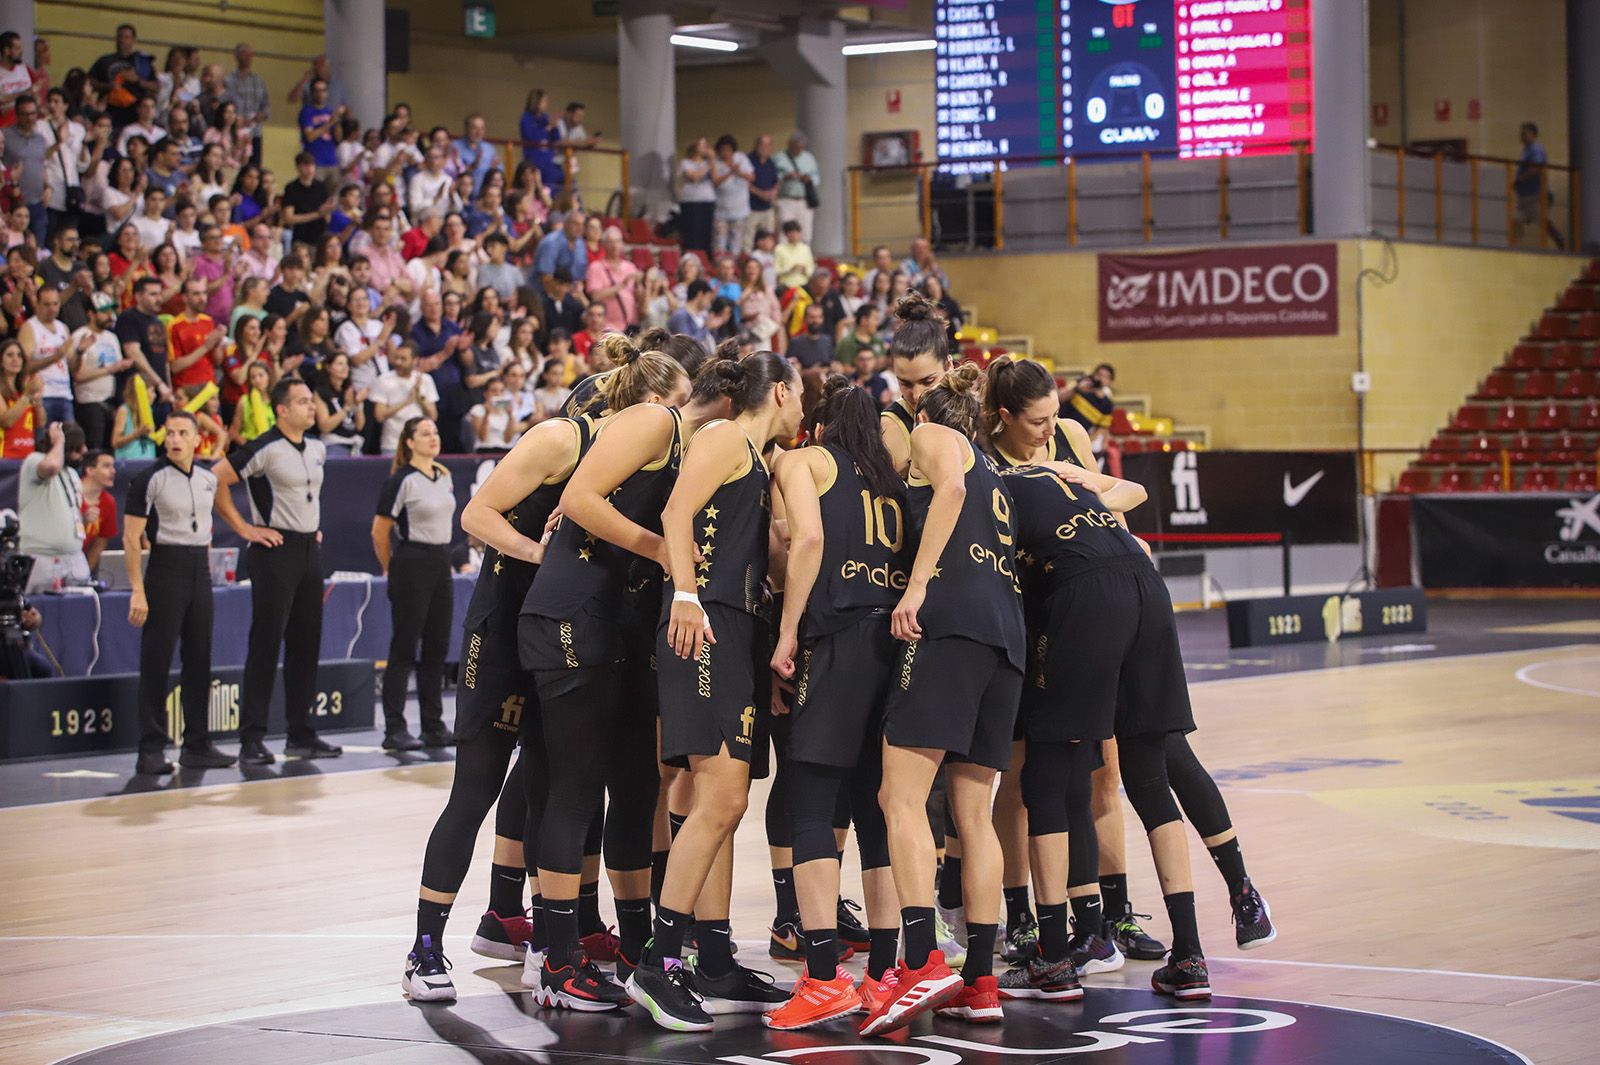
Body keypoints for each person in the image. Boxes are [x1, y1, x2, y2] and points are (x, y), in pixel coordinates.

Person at [403, 341, 690, 1003]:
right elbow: (477, 514)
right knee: (474, 789)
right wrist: (543, 548)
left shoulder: (637, 463)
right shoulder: (565, 436)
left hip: (559, 633)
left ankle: (545, 944)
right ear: (650, 403)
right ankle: (424, 949)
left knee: (551, 786)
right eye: (675, 409)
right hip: (502, 627)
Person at [518, 344, 734, 1015]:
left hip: (617, 621)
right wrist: (658, 548)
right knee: (574, 786)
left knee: (638, 787)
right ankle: (555, 957)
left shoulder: (691, 453)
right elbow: (580, 497)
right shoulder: (658, 422)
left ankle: (639, 943)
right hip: (569, 613)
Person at [626, 354, 803, 1031]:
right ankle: (660, 959)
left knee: (726, 802)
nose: (804, 410)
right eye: (800, 396)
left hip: (739, 626)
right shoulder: (726, 436)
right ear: (779, 390)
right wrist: (686, 593)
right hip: (706, 621)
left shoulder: (760, 460)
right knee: (719, 795)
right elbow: (676, 511)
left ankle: (716, 958)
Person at [859, 325, 1026, 1038]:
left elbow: (947, 488)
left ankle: (923, 959)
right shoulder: (994, 466)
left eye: (922, 381)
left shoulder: (936, 437)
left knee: (897, 793)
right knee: (972, 814)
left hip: (952, 624)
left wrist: (916, 584)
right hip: (1004, 636)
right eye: (902, 381)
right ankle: (981, 978)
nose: (910, 393)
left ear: (943, 383)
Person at [762, 378, 906, 1029]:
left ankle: (822, 975)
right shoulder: (892, 482)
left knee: (810, 804)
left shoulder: (805, 460)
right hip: (896, 648)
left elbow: (810, 540)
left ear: (817, 427)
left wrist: (788, 628)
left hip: (839, 640)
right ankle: (884, 974)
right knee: (878, 810)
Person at [212, 377, 341, 765]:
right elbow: (216, 476)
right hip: (274, 549)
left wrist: (310, 526)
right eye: (302, 401)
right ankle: (251, 738)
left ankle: (300, 733)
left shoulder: (317, 448)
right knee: (266, 642)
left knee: (306, 643)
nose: (310, 407)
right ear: (281, 409)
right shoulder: (265, 447)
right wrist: (244, 529)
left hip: (307, 549)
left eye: (311, 401)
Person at [123, 411, 235, 774]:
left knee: (199, 658)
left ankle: (197, 743)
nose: (174, 438)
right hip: (164, 568)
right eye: (169, 432)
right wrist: (137, 590)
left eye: (182, 432)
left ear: (195, 439)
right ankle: (150, 748)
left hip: (199, 569)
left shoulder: (207, 478)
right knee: (156, 659)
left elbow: (208, 527)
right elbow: (130, 538)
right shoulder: (149, 478)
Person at [372, 417, 457, 750]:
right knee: (404, 647)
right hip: (411, 561)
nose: (433, 437)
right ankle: (394, 729)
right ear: (409, 441)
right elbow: (379, 532)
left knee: (437, 648)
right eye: (425, 433)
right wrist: (391, 567)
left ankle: (433, 726)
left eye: (435, 431)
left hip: (441, 561)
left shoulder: (444, 476)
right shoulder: (401, 480)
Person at [19, 422, 91, 593]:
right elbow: (51, 466)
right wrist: (58, 441)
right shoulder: (34, 460)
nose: (85, 451)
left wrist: (83, 519)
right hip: (42, 560)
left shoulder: (71, 474)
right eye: (77, 448)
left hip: (74, 559)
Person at [70, 291, 131, 448]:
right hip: (90, 402)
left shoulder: (111, 337)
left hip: (109, 401)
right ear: (91, 314)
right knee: (94, 447)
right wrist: (110, 369)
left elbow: (116, 367)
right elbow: (78, 375)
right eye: (104, 312)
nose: (109, 315)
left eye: (110, 311)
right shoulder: (80, 336)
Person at [20, 285, 74, 425]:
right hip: (43, 395)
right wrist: (54, 358)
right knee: (43, 441)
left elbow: (71, 364)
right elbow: (23, 367)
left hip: (64, 394)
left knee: (71, 441)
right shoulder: (30, 328)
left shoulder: (63, 328)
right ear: (37, 304)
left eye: (55, 304)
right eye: (47, 304)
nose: (52, 308)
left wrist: (80, 352)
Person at [372, 342, 439, 454]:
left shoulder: (425, 380)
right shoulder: (384, 380)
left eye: (403, 359)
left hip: (420, 446)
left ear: (415, 360)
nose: (398, 362)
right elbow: (379, 416)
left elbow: (433, 415)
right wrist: (406, 402)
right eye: (396, 357)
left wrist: (419, 397)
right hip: (393, 445)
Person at [89, 23, 157, 129]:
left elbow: (155, 86)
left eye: (126, 37)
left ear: (133, 40)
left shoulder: (142, 63)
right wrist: (107, 86)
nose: (122, 40)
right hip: (110, 112)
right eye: (119, 36)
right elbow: (90, 81)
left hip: (135, 114)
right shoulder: (104, 61)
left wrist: (137, 80)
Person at [3, 95, 51, 245]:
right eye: (25, 114)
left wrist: (48, 187)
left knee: (37, 247)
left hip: (37, 203)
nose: (30, 118)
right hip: (14, 204)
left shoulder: (40, 139)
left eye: (33, 113)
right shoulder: (5, 135)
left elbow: (41, 166)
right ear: (17, 115)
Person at [1514, 121, 1564, 250]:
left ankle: (1559, 239)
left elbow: (1535, 168)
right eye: (1521, 133)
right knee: (1516, 220)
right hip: (1524, 196)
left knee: (1544, 222)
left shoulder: (1536, 149)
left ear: (1533, 134)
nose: (1522, 136)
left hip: (1535, 195)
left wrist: (1519, 179)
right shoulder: (1525, 150)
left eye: (1524, 133)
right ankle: (1514, 246)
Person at [224, 43, 269, 162]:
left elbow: (266, 105)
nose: (248, 57)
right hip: (235, 133)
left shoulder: (259, 81)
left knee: (254, 167)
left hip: (255, 133)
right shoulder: (229, 80)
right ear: (236, 56)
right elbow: (224, 104)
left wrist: (262, 114)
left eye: (251, 54)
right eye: (244, 54)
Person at [774, 131, 820, 244]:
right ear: (789, 145)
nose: (798, 150)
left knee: (805, 232)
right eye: (795, 147)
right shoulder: (779, 158)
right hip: (786, 198)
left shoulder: (809, 158)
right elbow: (772, 177)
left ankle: (802, 256)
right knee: (784, 231)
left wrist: (809, 179)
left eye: (800, 148)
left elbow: (817, 177)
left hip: (804, 200)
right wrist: (785, 176)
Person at [711, 135, 753, 255]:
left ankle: (734, 268)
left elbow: (751, 177)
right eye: (723, 150)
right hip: (721, 211)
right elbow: (716, 182)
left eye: (728, 150)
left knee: (736, 242)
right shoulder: (716, 163)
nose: (726, 153)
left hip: (739, 210)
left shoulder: (741, 158)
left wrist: (738, 172)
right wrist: (730, 172)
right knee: (720, 243)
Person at [80, 449, 119, 573]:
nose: (113, 471)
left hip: (78, 562)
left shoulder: (108, 502)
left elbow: (100, 542)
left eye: (113, 466)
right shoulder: (71, 494)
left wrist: (86, 573)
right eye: (106, 466)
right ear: (90, 470)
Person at [677, 137, 715, 254]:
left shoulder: (707, 163)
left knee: (706, 232)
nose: (705, 148)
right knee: (692, 232)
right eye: (701, 145)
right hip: (691, 201)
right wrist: (709, 164)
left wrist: (712, 161)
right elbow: (694, 177)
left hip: (707, 200)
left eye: (706, 145)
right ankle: (692, 254)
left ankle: (705, 256)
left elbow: (716, 178)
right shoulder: (685, 163)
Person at [742, 134, 779, 252]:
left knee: (767, 238)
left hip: (767, 208)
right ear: (757, 145)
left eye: (769, 145)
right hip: (750, 207)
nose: (766, 147)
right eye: (763, 144)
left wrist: (773, 191)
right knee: (748, 240)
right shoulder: (747, 160)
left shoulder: (771, 163)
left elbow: (776, 181)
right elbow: (744, 182)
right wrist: (760, 193)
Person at [774, 219, 814, 292]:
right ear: (786, 234)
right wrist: (790, 270)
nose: (794, 235)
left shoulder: (806, 248)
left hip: (803, 285)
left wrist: (805, 270)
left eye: (797, 232)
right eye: (791, 233)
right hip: (786, 286)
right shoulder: (779, 249)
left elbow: (811, 268)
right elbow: (776, 270)